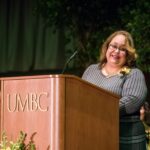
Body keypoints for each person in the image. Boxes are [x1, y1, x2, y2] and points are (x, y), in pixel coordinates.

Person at [82, 30, 148, 150]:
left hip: (126, 139)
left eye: (123, 49)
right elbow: (79, 94)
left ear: (128, 54)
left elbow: (132, 101)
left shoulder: (134, 74)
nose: (116, 51)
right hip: (93, 135)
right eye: (113, 46)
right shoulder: (91, 70)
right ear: (107, 47)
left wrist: (97, 110)